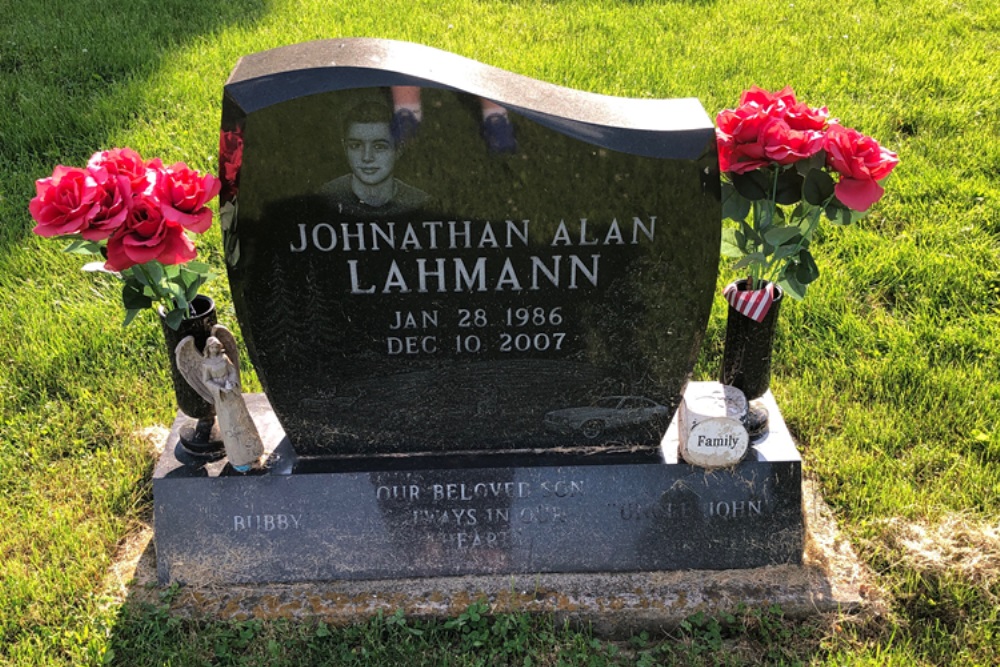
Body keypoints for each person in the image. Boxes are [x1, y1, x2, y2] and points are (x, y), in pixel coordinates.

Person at [320, 101, 429, 218]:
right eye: (356, 146)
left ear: (399, 149)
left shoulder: (420, 203)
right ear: (345, 147)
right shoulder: (322, 200)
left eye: (379, 147)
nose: (367, 157)